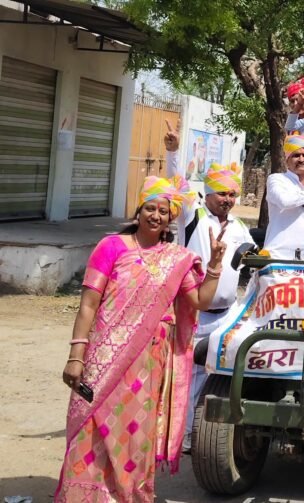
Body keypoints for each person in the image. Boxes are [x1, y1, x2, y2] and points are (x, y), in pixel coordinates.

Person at [55, 175, 227, 502]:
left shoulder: (177, 259)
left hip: (147, 363)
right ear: (139, 210)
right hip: (101, 359)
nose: (156, 216)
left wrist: (215, 266)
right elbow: (89, 304)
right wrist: (77, 355)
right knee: (90, 424)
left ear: (170, 219)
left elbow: (200, 302)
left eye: (164, 211)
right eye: (150, 208)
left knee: (133, 433)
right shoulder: (111, 247)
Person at [163, 122, 255, 452]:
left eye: (233, 194)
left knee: (213, 376)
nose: (228, 199)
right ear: (208, 193)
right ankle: (182, 438)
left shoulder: (241, 227)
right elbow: (178, 185)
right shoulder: (194, 217)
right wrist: (174, 152)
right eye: (222, 193)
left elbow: (253, 260)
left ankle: (198, 435)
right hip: (194, 314)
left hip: (226, 316)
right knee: (187, 376)